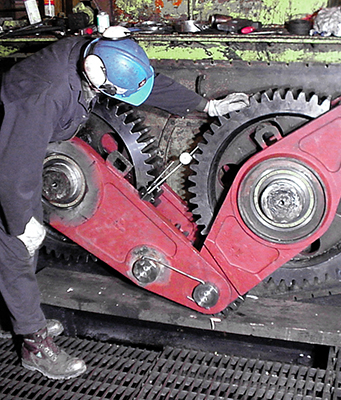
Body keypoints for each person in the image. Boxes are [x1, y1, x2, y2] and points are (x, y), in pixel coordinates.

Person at [0, 25, 249, 380]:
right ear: (94, 73)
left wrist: (207, 105)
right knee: (13, 243)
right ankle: (32, 343)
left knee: (25, 237)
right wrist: (20, 222)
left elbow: (144, 84)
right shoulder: (45, 95)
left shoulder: (100, 54)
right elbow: (13, 169)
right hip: (6, 154)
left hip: (18, 145)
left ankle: (14, 316)